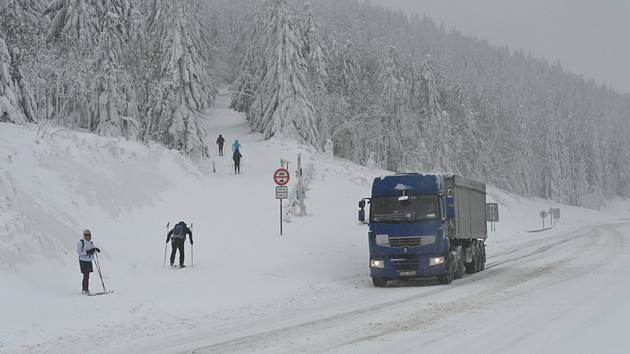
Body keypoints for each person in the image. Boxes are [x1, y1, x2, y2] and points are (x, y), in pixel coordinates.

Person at [76, 229, 100, 295]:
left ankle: (86, 290)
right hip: (83, 261)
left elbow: (91, 252)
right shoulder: (81, 242)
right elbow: (79, 252)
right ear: (84, 235)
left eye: (89, 235)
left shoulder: (91, 243)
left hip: (89, 261)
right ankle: (84, 290)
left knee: (87, 276)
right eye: (86, 235)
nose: (87, 236)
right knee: (85, 275)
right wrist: (87, 252)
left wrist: (94, 250)